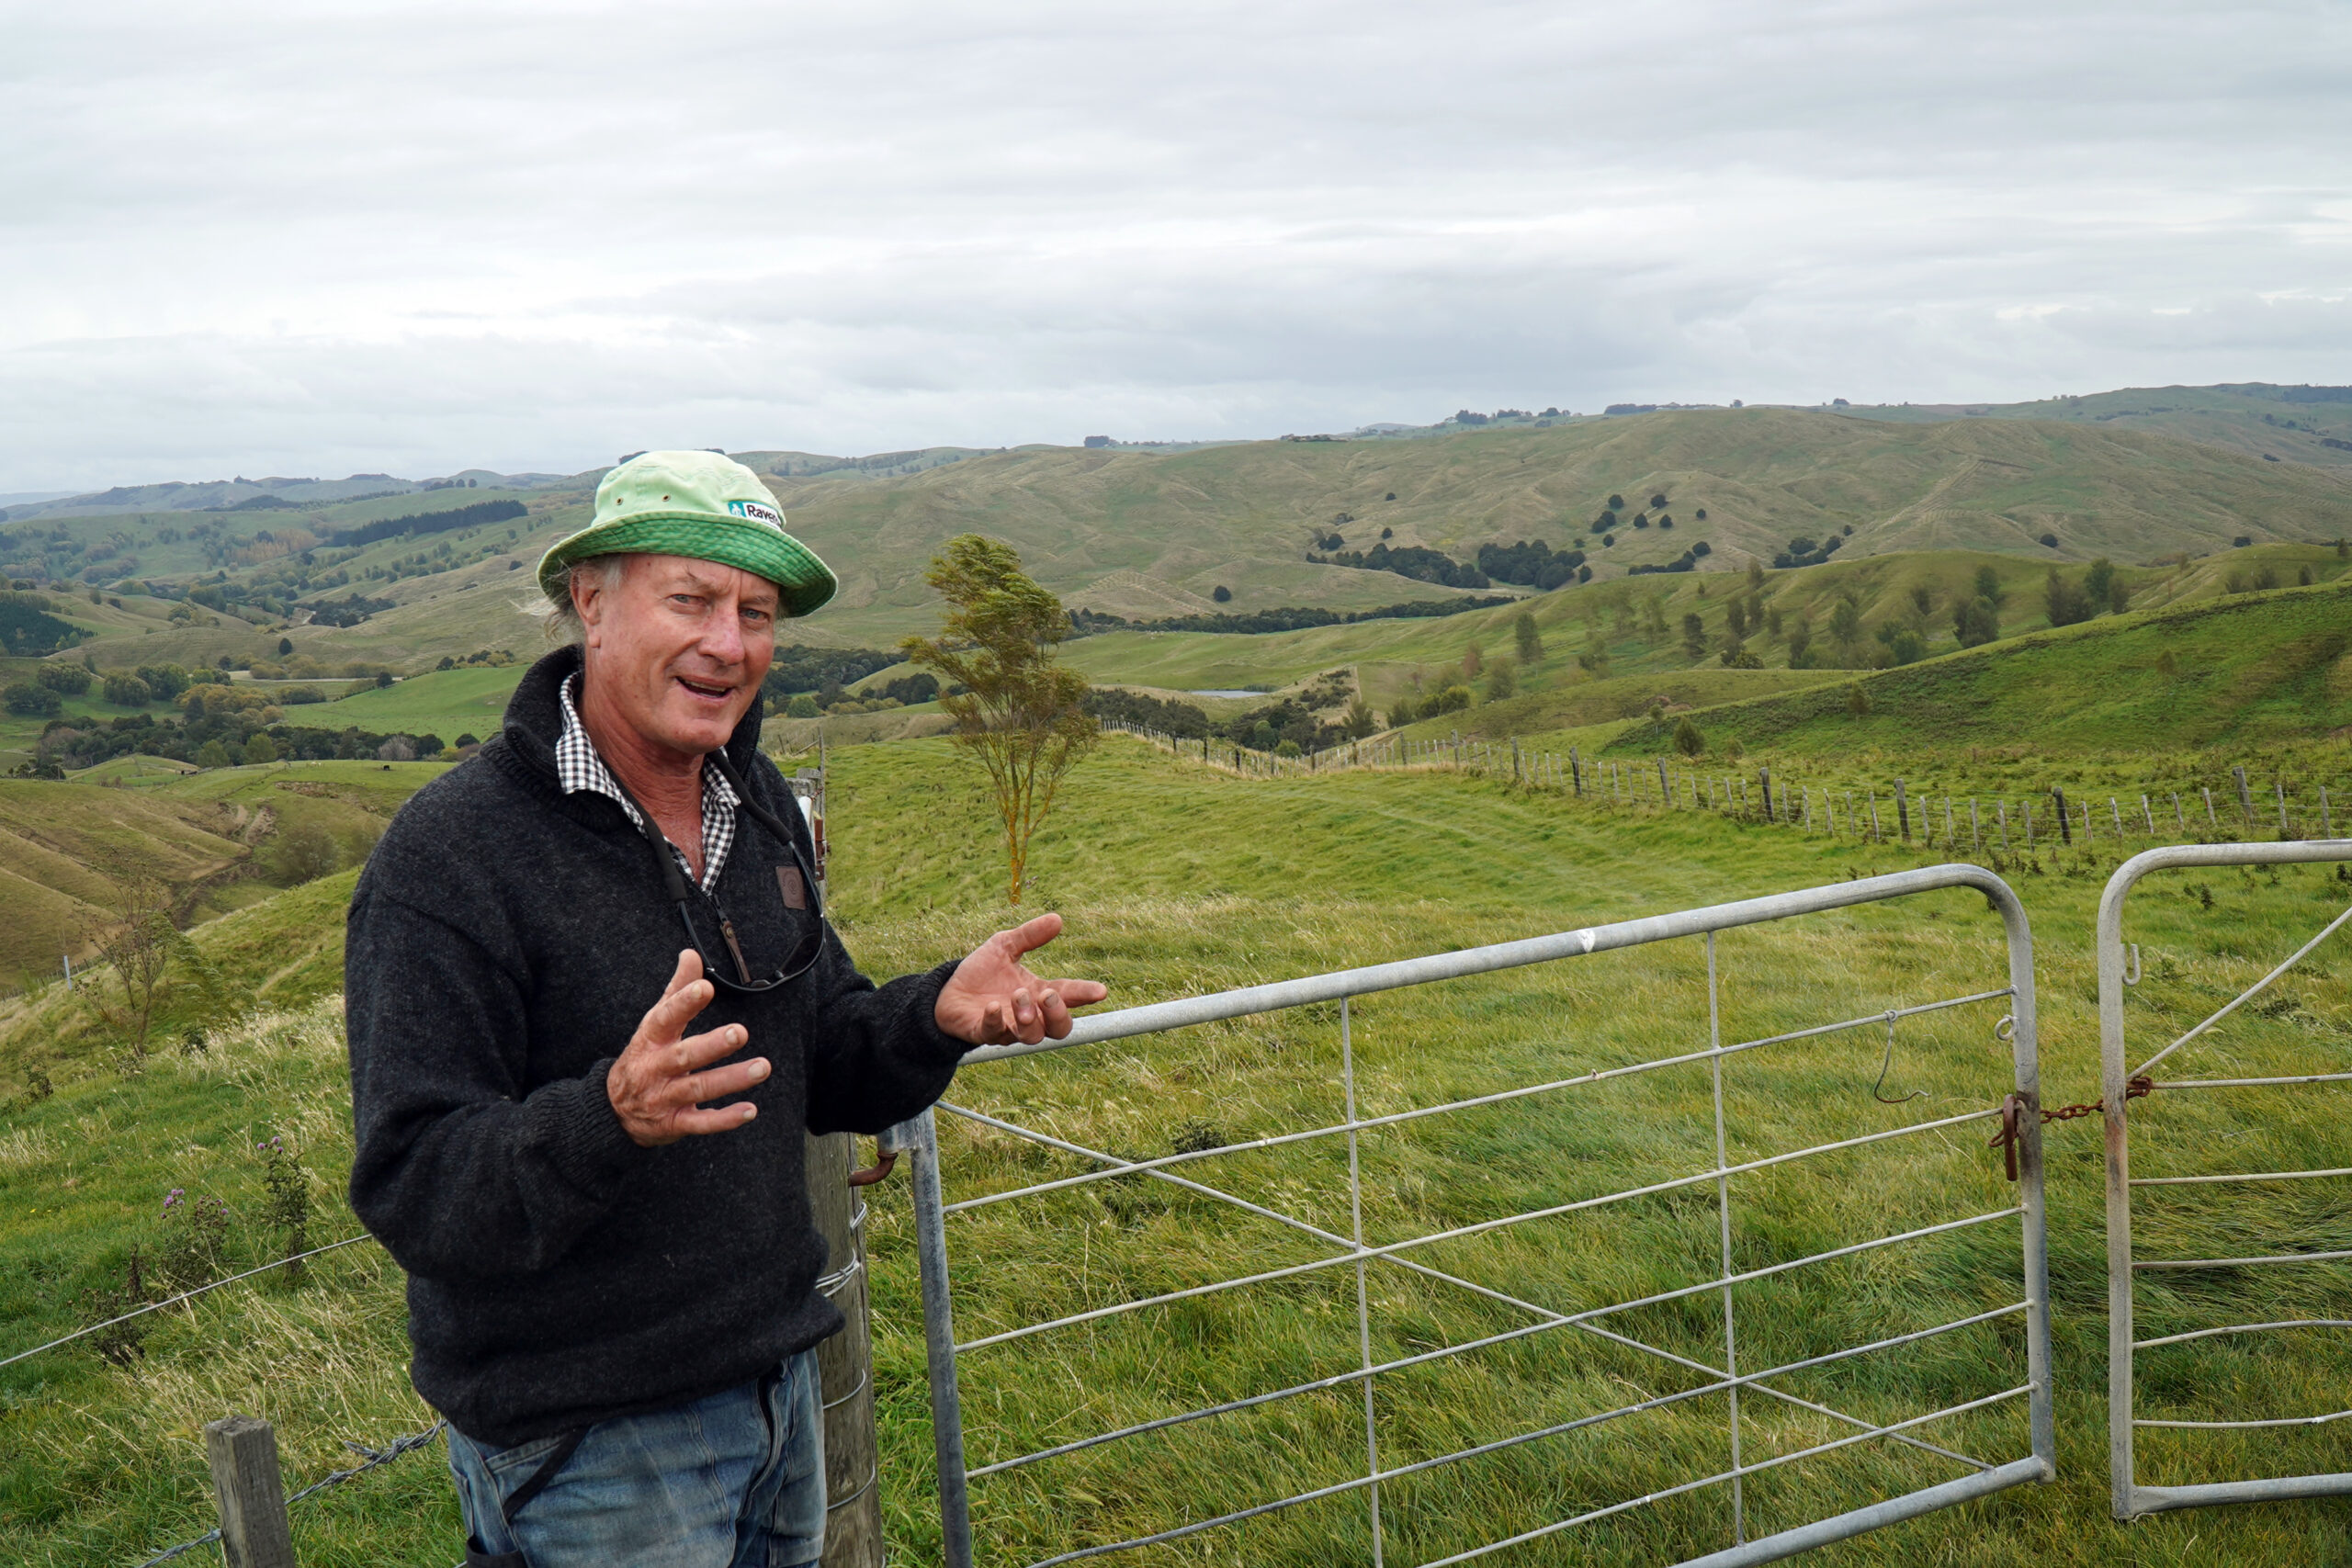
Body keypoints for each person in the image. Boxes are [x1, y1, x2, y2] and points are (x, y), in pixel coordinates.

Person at [345, 450, 1104, 1567]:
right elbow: (414, 1182)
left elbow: (820, 1053)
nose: (729, 644)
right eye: (691, 600)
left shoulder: (753, 807)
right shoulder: (453, 855)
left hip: (777, 1393)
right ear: (591, 602)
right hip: (591, 1445)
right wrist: (609, 1116)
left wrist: (933, 1014)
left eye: (755, 613)